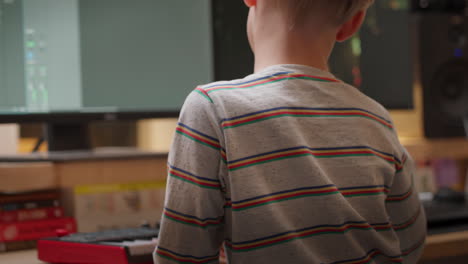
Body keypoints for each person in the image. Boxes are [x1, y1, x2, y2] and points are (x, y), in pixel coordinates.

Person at [154, 0, 427, 263]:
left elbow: (181, 256)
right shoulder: (376, 117)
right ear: (352, 23)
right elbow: (409, 243)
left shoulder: (212, 109)